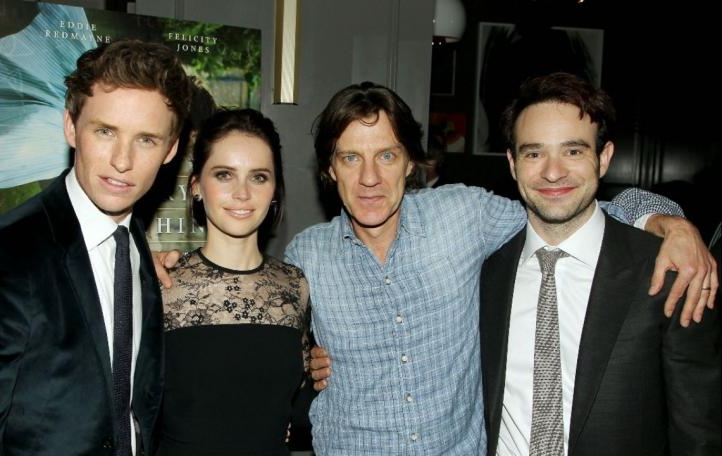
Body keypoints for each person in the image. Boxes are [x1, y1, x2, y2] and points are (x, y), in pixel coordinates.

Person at [284, 81, 715, 454]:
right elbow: (277, 357)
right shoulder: (305, 256)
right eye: (350, 158)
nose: (370, 178)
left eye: (387, 156)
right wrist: (308, 363)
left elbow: (562, 204)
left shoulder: (464, 215)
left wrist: (665, 220)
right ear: (329, 167)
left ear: (411, 162)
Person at [0, 39, 189, 455]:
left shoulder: (135, 244)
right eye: (105, 131)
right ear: (70, 126)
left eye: (146, 140)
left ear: (171, 149)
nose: (122, 160)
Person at [478, 72, 720, 456]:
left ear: (604, 158)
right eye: (534, 153)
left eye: (573, 151)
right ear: (512, 163)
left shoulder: (670, 269)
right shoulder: (486, 273)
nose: (553, 172)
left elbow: (700, 431)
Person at [156, 108, 310, 455]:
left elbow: (298, 400)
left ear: (274, 190)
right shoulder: (161, 286)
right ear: (196, 187)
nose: (242, 193)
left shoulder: (294, 286)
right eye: (225, 174)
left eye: (258, 177)